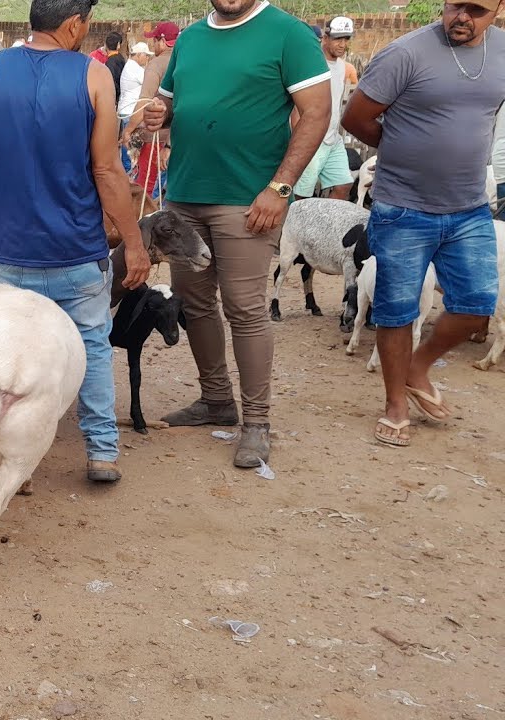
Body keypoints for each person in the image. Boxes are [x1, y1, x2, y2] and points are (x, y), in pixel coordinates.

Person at [0, 0, 151, 483]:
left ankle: (8, 452)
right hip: (76, 247)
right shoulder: (93, 76)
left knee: (13, 351)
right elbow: (107, 170)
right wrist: (134, 242)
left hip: (9, 251)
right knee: (92, 344)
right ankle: (102, 451)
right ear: (74, 24)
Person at [143, 0, 330, 468]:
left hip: (248, 200)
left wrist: (280, 188)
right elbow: (171, 105)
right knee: (194, 302)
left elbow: (316, 114)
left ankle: (257, 423)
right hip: (185, 196)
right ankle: (215, 401)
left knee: (244, 308)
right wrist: (159, 114)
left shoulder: (287, 33)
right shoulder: (190, 38)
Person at [340, 1, 505, 448]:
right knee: (397, 309)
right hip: (403, 207)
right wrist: (401, 149)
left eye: (476, 9)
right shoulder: (406, 53)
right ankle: (395, 404)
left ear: (498, 8)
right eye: (455, 5)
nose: (462, 16)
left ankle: (418, 366)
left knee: (476, 304)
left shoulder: (502, 52)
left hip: (469, 206)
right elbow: (355, 117)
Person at [291, 16, 354, 201]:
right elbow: (297, 106)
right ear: (325, 38)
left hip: (333, 138)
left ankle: (328, 219)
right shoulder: (312, 63)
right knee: (301, 194)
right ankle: (293, 221)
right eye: (337, 39)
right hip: (312, 137)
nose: (342, 44)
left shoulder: (342, 66)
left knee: (344, 185)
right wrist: (299, 140)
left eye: (346, 39)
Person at [123, 21, 178, 198]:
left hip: (157, 139)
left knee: (147, 190)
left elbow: (145, 101)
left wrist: (128, 130)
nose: (153, 45)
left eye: (154, 40)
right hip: (179, 138)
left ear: (162, 41)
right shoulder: (186, 60)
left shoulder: (156, 64)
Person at [118, 41, 152, 119]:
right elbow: (150, 83)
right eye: (146, 55)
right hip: (130, 111)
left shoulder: (131, 66)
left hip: (128, 110)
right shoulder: (134, 68)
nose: (147, 58)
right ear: (139, 54)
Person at [104, 32, 126, 98]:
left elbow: (111, 83)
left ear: (105, 45)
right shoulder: (120, 58)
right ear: (118, 45)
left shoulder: (110, 62)